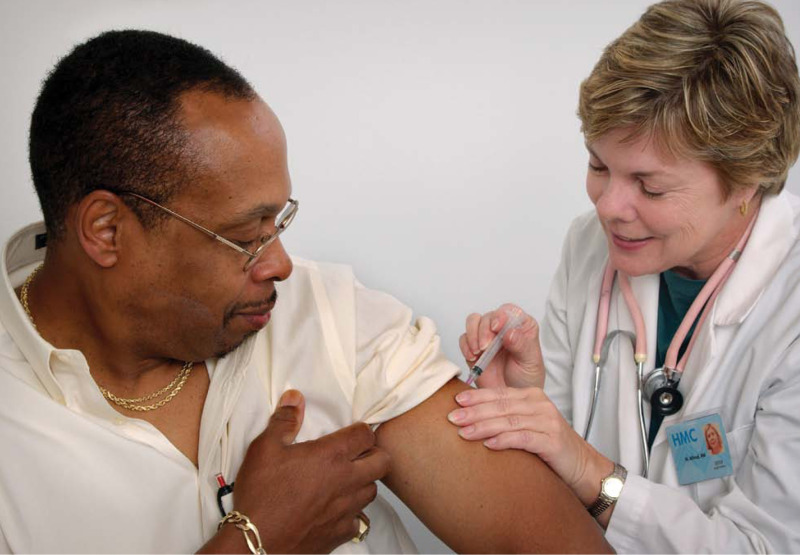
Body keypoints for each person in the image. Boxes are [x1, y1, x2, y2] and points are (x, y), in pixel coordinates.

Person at [0, 30, 611, 554]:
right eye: (245, 237)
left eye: (280, 223)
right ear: (107, 232)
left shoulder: (327, 315)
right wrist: (256, 538)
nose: (283, 265)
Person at [450, 0, 800, 552]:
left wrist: (590, 469)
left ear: (746, 180)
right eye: (598, 166)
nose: (609, 206)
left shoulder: (790, 308)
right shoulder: (591, 247)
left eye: (650, 186)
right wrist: (529, 401)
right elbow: (554, 464)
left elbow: (766, 546)